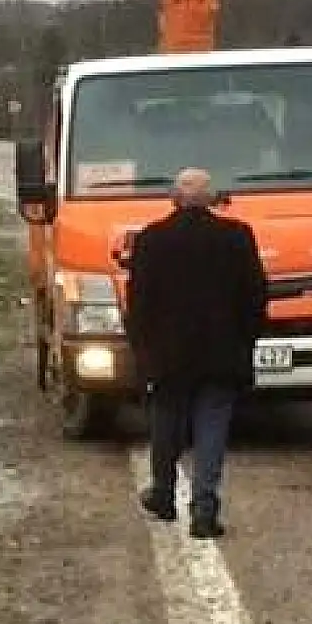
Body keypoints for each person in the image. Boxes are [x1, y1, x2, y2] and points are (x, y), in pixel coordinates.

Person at [126, 168, 269, 539]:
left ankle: (163, 494)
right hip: (222, 353)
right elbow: (255, 296)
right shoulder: (237, 237)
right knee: (212, 428)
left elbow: (139, 303)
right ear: (212, 199)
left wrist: (142, 349)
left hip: (167, 355)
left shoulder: (151, 240)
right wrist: (245, 341)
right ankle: (205, 509)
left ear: (173, 198)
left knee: (165, 423)